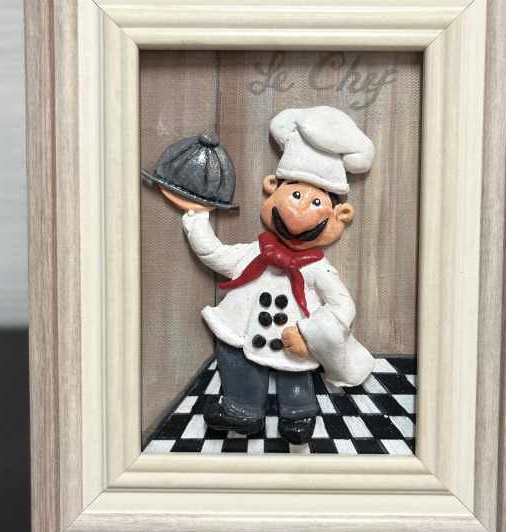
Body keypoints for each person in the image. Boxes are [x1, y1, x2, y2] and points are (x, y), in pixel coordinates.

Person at [145, 106, 375, 445]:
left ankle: (298, 415)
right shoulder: (256, 252)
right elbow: (217, 255)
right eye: (295, 195)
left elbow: (343, 307)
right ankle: (242, 409)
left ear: (341, 215)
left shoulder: (318, 269)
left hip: (291, 338)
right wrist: (197, 217)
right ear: (272, 187)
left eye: (315, 203)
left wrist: (309, 334)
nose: (298, 209)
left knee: (294, 371)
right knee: (234, 356)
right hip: (242, 328)